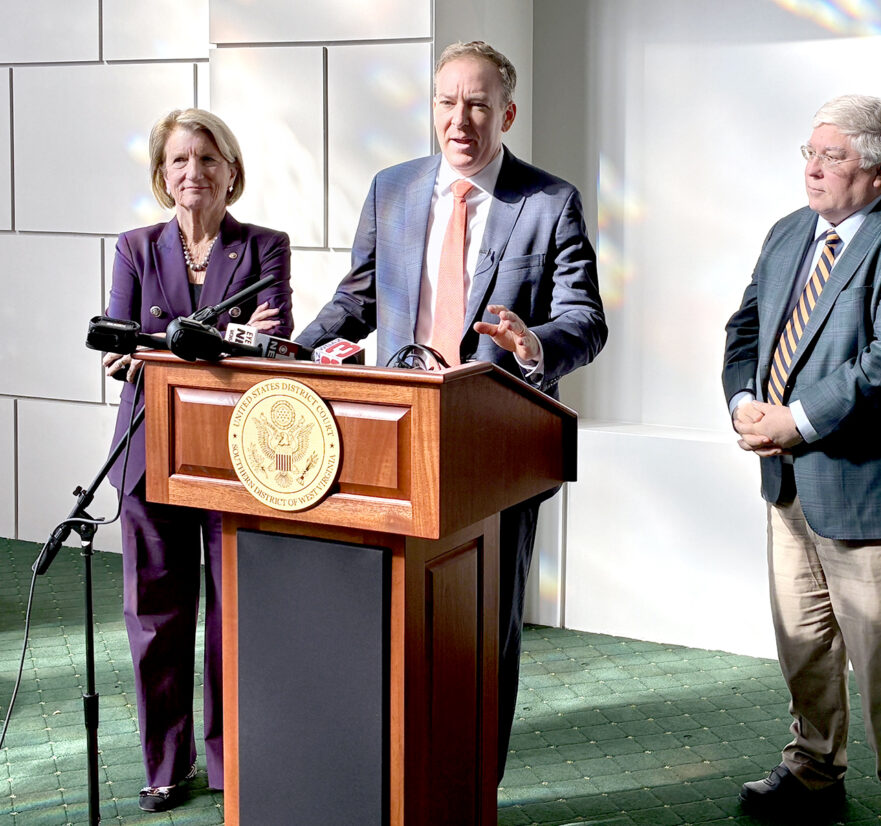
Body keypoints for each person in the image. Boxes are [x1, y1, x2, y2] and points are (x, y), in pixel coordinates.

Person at [295, 40, 607, 779]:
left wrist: (534, 343)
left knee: (483, 622)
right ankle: (395, 777)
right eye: (446, 102)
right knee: (393, 611)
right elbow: (356, 300)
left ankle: (474, 790)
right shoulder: (393, 189)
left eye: (477, 104)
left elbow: (586, 319)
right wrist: (294, 354)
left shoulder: (549, 201)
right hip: (394, 436)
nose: (459, 120)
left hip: (494, 443)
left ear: (507, 113)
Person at [722, 95, 881, 826]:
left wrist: (793, 421)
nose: (813, 170)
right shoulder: (789, 232)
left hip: (876, 489)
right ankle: (813, 771)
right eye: (811, 153)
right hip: (790, 484)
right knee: (804, 646)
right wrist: (743, 402)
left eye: (833, 157)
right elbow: (746, 329)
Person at [103, 108, 293, 812]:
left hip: (234, 455)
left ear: (231, 172)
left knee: (234, 618)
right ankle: (165, 764)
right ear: (162, 174)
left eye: (208, 159)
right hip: (148, 450)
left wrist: (165, 345)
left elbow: (272, 346)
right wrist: (221, 338)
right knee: (154, 616)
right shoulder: (134, 248)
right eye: (180, 160)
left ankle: (227, 762)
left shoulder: (266, 247)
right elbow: (118, 348)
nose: (194, 172)